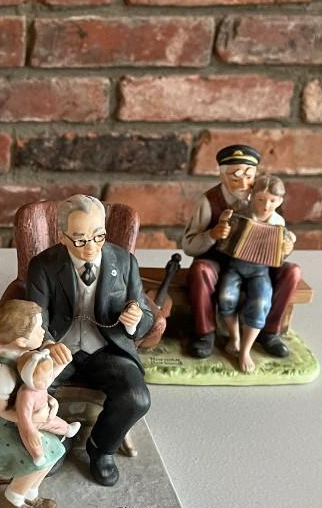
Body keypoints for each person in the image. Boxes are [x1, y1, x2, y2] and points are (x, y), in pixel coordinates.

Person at [25, 194, 154, 487]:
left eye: (99, 236)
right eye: (81, 240)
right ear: (63, 236)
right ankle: (55, 441)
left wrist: (134, 321)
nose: (91, 247)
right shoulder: (44, 265)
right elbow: (35, 316)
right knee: (31, 389)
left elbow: (145, 315)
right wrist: (48, 344)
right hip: (60, 349)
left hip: (107, 349)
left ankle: (101, 448)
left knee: (137, 397)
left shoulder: (124, 262)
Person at [181, 144, 301, 360]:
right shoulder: (208, 202)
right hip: (220, 262)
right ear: (222, 175)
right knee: (200, 270)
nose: (244, 184)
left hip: (259, 265)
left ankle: (269, 332)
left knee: (292, 272)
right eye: (235, 177)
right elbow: (189, 245)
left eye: (249, 176)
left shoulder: (264, 195)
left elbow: (280, 233)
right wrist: (212, 234)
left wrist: (286, 247)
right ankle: (205, 333)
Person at [0, 299, 65, 508]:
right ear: (21, 341)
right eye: (38, 328)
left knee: (54, 449)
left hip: (20, 418)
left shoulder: (25, 356)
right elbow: (0, 410)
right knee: (39, 456)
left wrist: (47, 403)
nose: (43, 331)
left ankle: (30, 493)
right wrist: (28, 420)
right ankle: (13, 497)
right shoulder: (2, 371)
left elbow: (35, 387)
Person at [216, 175, 296, 373]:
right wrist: (225, 224)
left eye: (272, 201)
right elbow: (223, 241)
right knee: (226, 296)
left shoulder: (279, 223)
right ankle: (234, 337)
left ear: (280, 201)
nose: (266, 205)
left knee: (261, 301)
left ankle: (245, 350)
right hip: (235, 266)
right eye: (261, 199)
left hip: (260, 270)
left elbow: (282, 250)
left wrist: (287, 247)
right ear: (252, 196)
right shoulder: (241, 213)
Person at [15, 348, 81, 466]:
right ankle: (37, 455)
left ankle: (68, 429)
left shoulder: (41, 385)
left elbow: (53, 375)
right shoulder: (26, 394)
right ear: (28, 378)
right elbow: (24, 416)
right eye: (42, 380)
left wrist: (52, 400)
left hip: (45, 415)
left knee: (56, 423)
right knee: (31, 440)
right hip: (31, 422)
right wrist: (30, 431)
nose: (47, 382)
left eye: (48, 377)